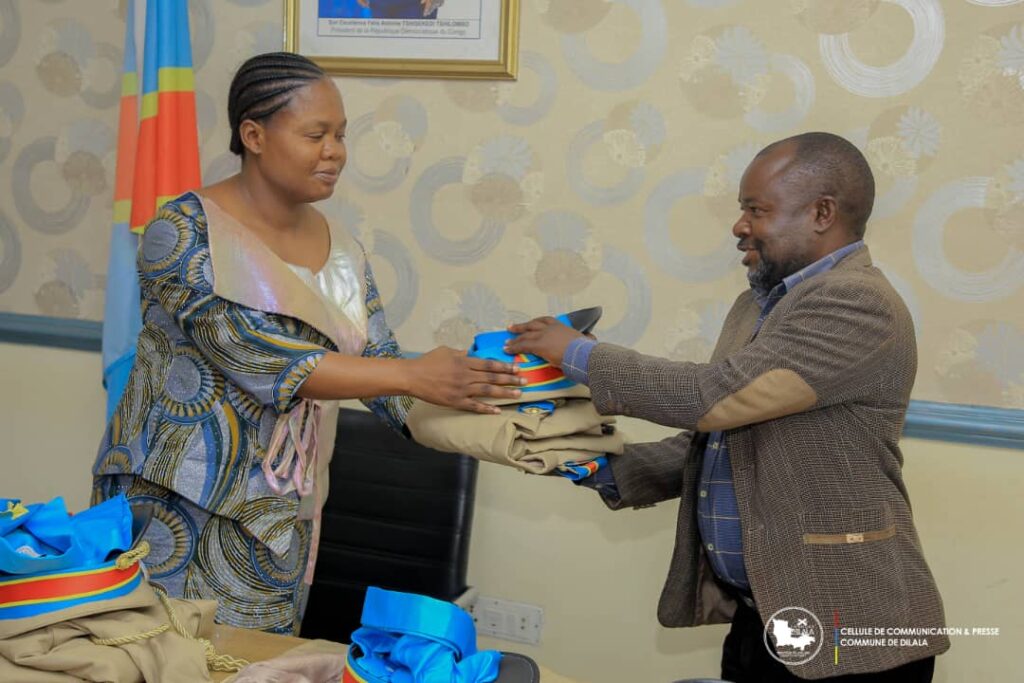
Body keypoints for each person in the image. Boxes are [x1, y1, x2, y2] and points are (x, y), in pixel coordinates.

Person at [92, 52, 524, 635]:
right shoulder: (184, 231)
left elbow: (380, 365)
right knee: (173, 660)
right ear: (254, 136)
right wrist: (414, 374)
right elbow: (258, 355)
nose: (335, 152)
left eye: (341, 135)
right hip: (180, 504)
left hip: (289, 511)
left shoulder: (341, 245)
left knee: (264, 665)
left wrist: (509, 419)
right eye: (315, 135)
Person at [505, 132, 948, 682]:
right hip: (765, 618)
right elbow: (722, 439)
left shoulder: (856, 301)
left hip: (847, 628)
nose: (739, 226)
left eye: (756, 210)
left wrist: (576, 353)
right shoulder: (756, 306)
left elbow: (710, 398)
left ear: (822, 213)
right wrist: (595, 464)